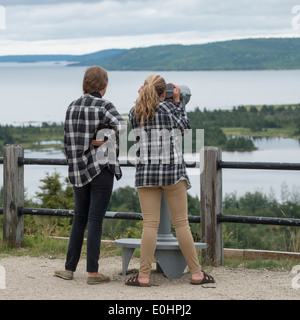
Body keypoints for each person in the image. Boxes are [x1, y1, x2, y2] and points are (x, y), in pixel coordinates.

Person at [126, 74, 215, 286]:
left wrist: (143, 97)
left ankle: (144, 276)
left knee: (149, 225)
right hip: (172, 172)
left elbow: (139, 116)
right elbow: (185, 128)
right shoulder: (167, 109)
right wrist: (177, 102)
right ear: (163, 92)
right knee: (182, 224)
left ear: (144, 89)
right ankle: (196, 273)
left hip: (146, 174)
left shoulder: (134, 112)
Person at [54, 66, 125, 285]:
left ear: (85, 83)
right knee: (95, 219)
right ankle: (93, 272)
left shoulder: (72, 106)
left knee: (79, 218)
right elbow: (122, 126)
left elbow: (68, 140)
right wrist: (105, 138)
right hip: (100, 168)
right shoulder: (105, 105)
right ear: (103, 85)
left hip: (78, 169)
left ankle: (69, 268)